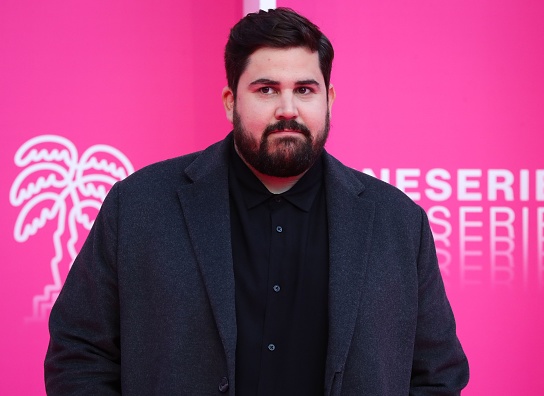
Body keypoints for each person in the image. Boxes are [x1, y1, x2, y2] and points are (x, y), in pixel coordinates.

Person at [45, 7, 469, 396]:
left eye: (305, 89)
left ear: (329, 99)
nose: (288, 109)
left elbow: (437, 374)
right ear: (231, 102)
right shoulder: (140, 206)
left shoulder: (397, 222)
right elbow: (79, 352)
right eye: (266, 89)